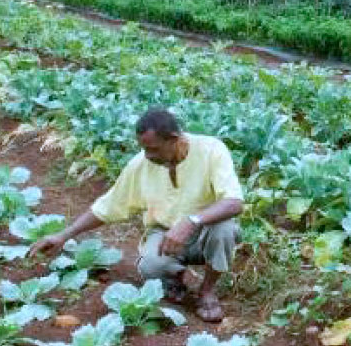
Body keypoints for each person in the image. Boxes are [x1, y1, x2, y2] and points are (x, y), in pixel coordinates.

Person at [29, 107, 244, 323]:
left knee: (224, 228)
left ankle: (207, 291)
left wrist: (192, 220)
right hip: (165, 234)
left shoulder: (211, 150)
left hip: (205, 231)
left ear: (174, 139)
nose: (148, 155)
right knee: (150, 265)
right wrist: (63, 235)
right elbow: (108, 206)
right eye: (144, 149)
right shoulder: (141, 164)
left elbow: (234, 202)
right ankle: (174, 279)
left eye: (153, 149)